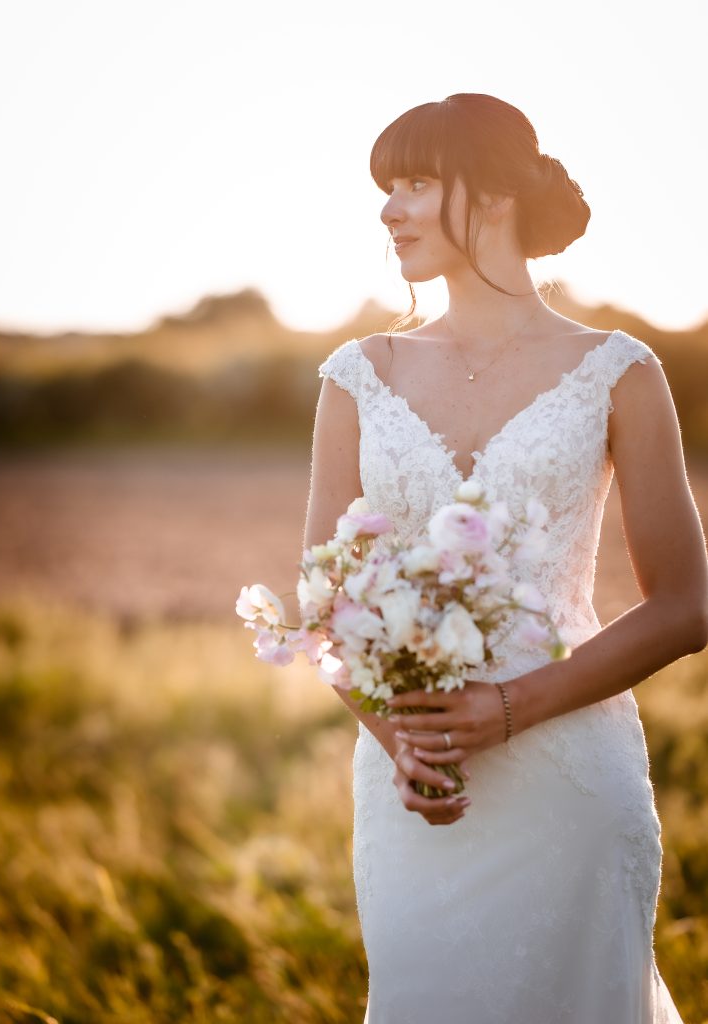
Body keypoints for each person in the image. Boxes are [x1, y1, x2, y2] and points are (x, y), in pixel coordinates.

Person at [302, 93, 708, 1023]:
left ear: (488, 195)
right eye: (384, 188)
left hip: (571, 775)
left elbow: (686, 606)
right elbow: (320, 602)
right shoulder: (359, 377)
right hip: (421, 786)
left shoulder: (621, 371)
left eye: (412, 184)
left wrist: (508, 707)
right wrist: (401, 742)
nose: (388, 209)